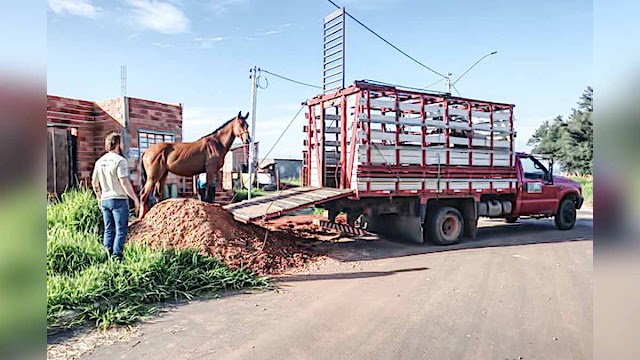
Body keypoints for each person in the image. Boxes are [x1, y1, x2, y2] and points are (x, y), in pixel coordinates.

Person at [91, 132, 140, 262]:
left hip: (105, 200)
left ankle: (105, 256)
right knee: (121, 230)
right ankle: (117, 258)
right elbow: (124, 182)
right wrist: (135, 199)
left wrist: (99, 197)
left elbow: (94, 183)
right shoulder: (120, 161)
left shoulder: (99, 161)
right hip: (118, 199)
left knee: (108, 230)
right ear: (118, 144)